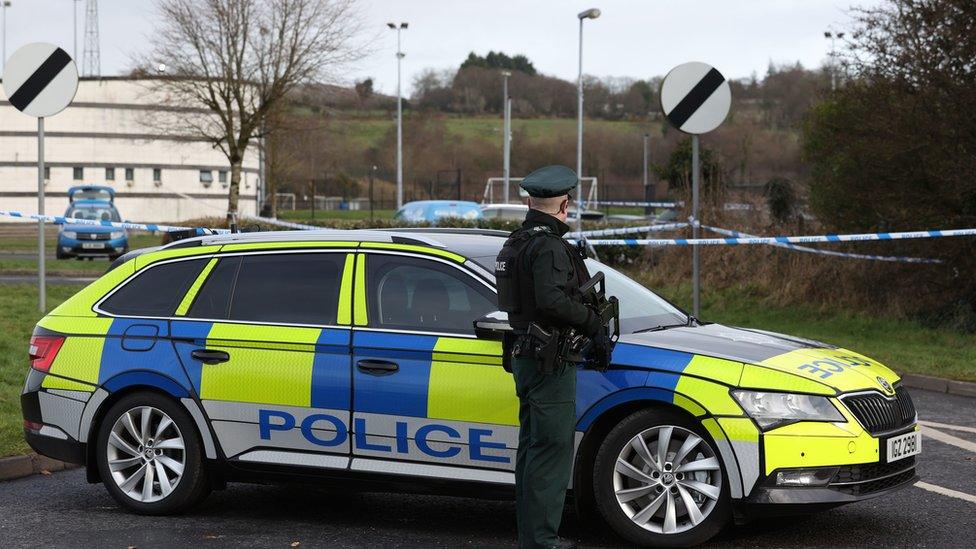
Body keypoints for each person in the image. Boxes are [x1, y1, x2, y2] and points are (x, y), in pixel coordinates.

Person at [495, 165, 605, 549]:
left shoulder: (518, 241)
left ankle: (532, 537)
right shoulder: (549, 246)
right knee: (551, 451)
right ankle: (541, 541)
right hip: (549, 359)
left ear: (530, 201)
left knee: (532, 448)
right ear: (566, 204)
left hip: (527, 354)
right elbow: (552, 299)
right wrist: (592, 322)